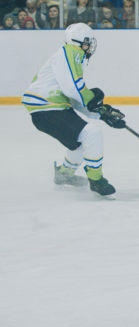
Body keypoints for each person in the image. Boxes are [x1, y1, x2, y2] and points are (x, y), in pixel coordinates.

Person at [21, 23, 124, 197]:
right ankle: (96, 180)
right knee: (92, 134)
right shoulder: (71, 51)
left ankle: (64, 174)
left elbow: (74, 96)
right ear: (80, 41)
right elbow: (73, 89)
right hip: (46, 107)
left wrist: (103, 113)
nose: (91, 46)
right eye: (88, 42)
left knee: (80, 143)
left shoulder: (71, 57)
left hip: (49, 108)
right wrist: (93, 100)